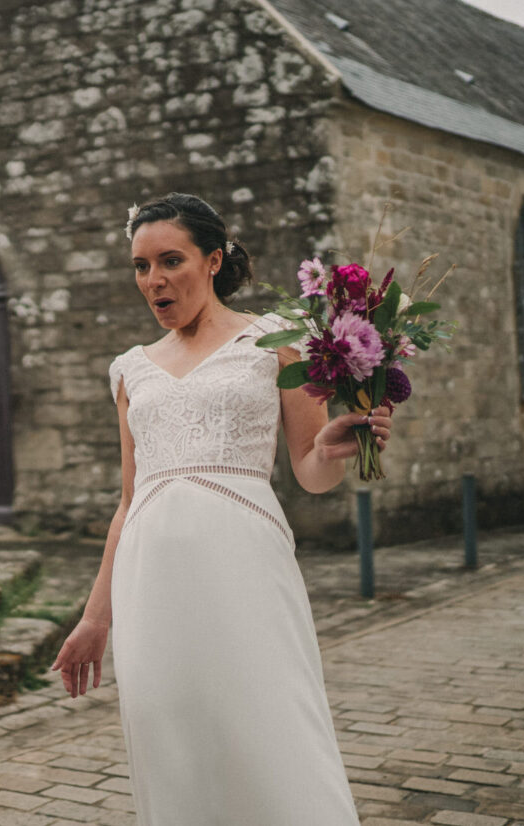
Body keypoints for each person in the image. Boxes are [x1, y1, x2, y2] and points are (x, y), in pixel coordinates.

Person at [51, 192, 390, 824]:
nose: (153, 280)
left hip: (246, 569)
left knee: (268, 724)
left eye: (170, 260)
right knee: (171, 739)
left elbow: (310, 475)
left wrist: (333, 446)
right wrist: (97, 618)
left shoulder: (278, 342)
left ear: (213, 260)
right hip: (149, 585)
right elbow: (128, 502)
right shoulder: (130, 371)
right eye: (140, 266)